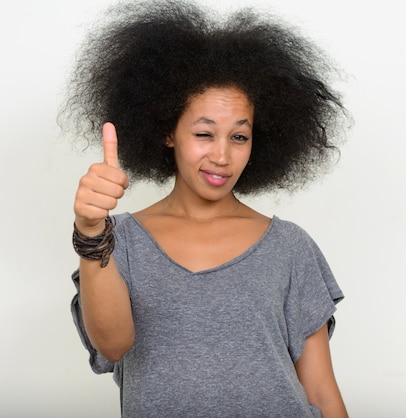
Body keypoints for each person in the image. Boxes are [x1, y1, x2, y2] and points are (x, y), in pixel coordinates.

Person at [60, 0, 350, 416]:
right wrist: (90, 231)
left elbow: (321, 391)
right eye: (203, 133)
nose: (222, 155)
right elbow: (113, 344)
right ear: (167, 132)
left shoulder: (289, 246)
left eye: (239, 137)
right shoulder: (118, 240)